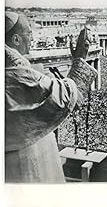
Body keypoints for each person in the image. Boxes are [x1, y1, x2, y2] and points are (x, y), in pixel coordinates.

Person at [5, 12, 97, 183]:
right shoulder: (15, 76)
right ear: (16, 40)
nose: (33, 37)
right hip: (23, 168)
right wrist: (79, 59)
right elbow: (68, 97)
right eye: (29, 33)